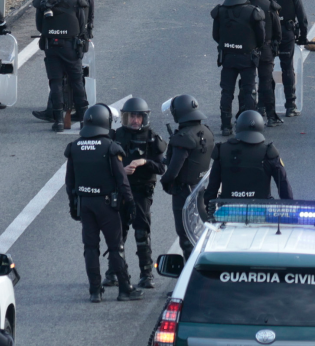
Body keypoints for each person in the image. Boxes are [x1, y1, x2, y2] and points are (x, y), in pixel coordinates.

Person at [64, 104, 141, 302]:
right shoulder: (110, 147)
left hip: (85, 204)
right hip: (107, 205)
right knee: (115, 247)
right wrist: (131, 204)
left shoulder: (74, 147)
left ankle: (95, 291)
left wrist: (73, 204)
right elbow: (122, 180)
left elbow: (70, 182)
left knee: (90, 248)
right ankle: (125, 288)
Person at [112, 95, 166, 291]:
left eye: (138, 117)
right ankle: (114, 273)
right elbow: (106, 164)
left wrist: (145, 162)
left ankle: (146, 273)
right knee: (117, 233)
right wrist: (121, 170)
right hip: (121, 191)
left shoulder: (152, 138)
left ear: (144, 118)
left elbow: (162, 168)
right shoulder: (116, 136)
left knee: (142, 232)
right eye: (131, 117)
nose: (135, 121)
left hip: (142, 192)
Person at [30, 0, 90, 130]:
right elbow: (81, 25)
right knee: (77, 82)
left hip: (51, 48)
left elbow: (39, 26)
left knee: (55, 82)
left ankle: (57, 121)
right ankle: (84, 120)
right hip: (71, 47)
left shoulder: (43, 0)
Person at [159, 94, 215, 255]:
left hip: (184, 192)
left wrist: (166, 182)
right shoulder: (207, 132)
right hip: (202, 189)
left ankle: (189, 272)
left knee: (185, 235)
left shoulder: (183, 138)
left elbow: (174, 170)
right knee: (200, 231)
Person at [212, 0, 268, 134]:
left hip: (228, 58)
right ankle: (250, 125)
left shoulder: (220, 11)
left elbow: (216, 35)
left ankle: (225, 125)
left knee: (226, 91)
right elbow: (261, 37)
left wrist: (230, 46)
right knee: (249, 90)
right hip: (247, 58)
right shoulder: (253, 12)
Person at [204, 110, 293, 202]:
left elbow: (212, 188)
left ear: (238, 126)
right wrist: (290, 207)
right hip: (261, 210)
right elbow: (283, 184)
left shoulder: (222, 150)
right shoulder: (269, 153)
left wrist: (207, 209)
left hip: (228, 210)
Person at [264, 0, 309, 120]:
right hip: (287, 33)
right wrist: (303, 36)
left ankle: (263, 105)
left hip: (268, 35)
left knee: (266, 69)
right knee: (287, 68)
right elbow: (301, 15)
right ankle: (290, 105)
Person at [243, 0, 286, 124]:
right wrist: (274, 47)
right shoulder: (269, 6)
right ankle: (271, 115)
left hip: (247, 50)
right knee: (266, 82)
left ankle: (246, 116)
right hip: (266, 49)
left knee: (247, 84)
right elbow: (277, 32)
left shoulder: (244, 6)